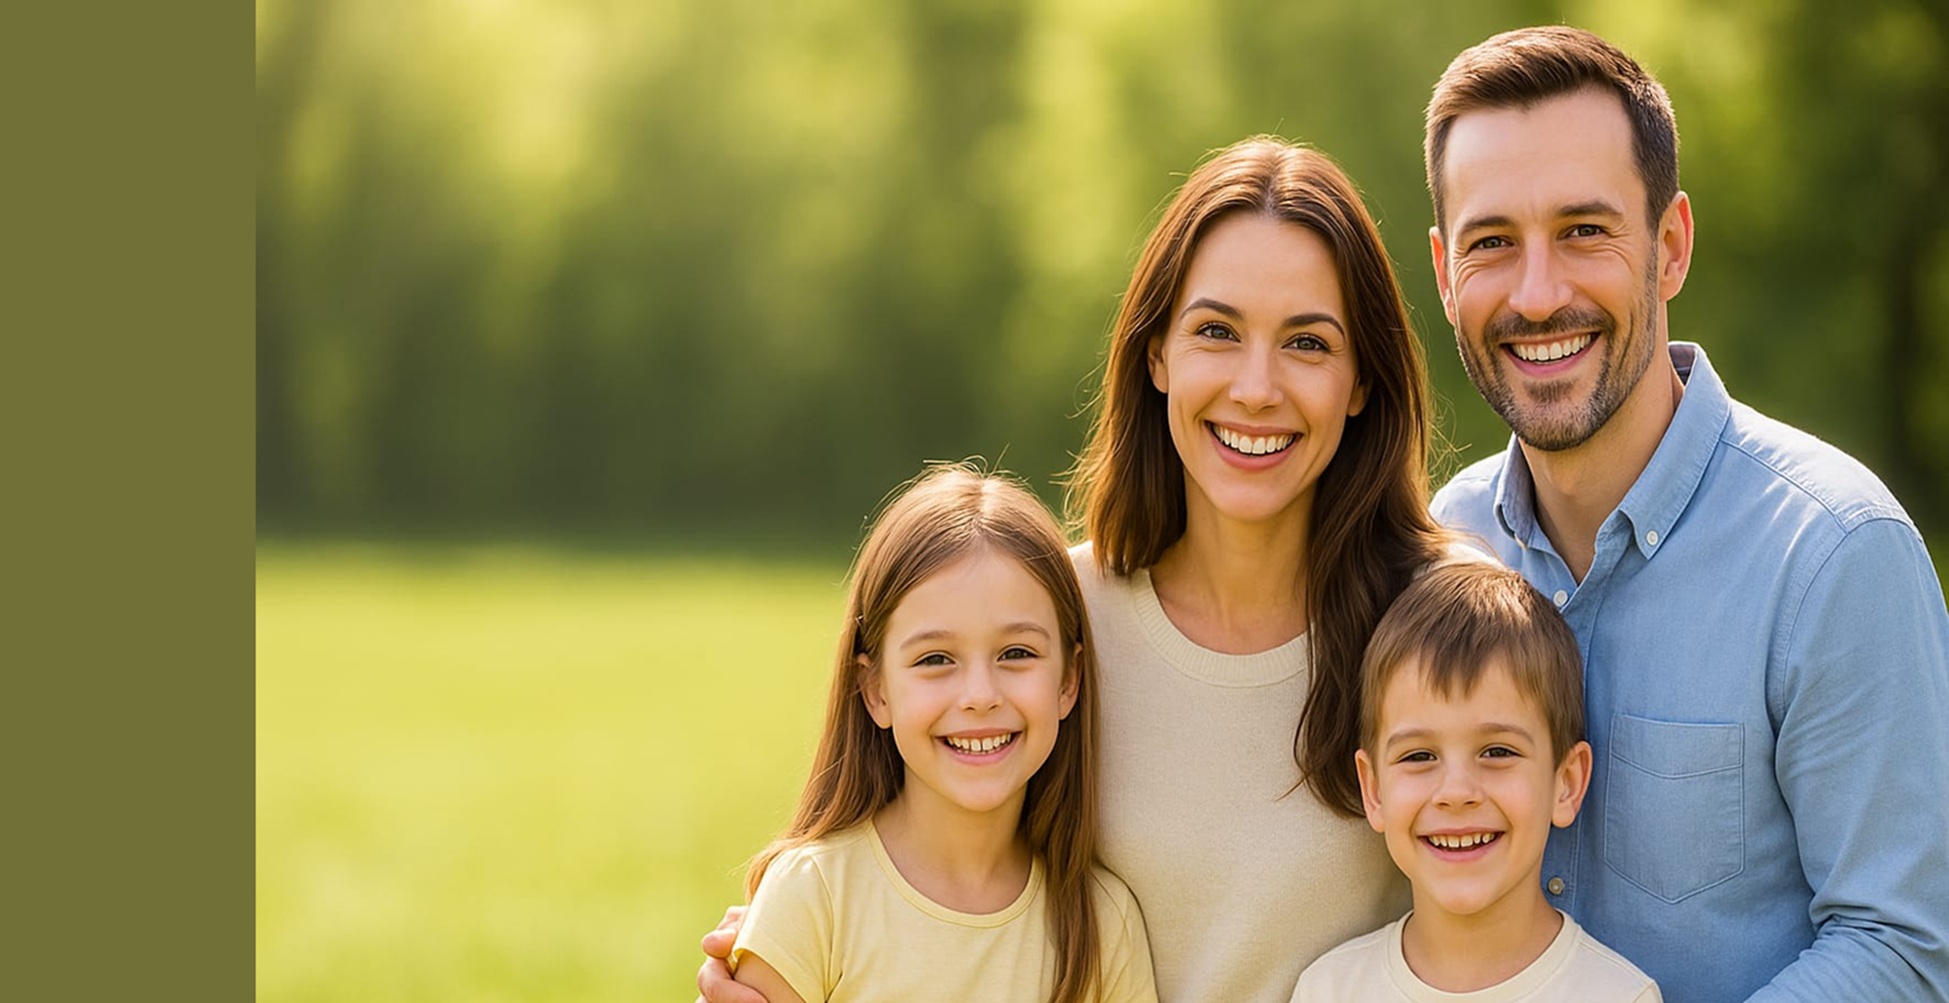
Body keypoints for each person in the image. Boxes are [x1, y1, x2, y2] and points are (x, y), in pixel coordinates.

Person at [700, 136, 1464, 1003]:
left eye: (1307, 343)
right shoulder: (1043, 623)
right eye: (1215, 331)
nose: (1256, 387)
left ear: (1363, 379)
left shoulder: (1437, 632)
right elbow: (911, 877)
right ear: (1156, 357)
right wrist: (788, 947)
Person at [1422, 25, 1949, 1002]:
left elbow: (1905, 945)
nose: (1537, 294)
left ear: (1667, 247)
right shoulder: (1442, 548)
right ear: (1446, 273)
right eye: (1492, 243)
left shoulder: (1834, 555)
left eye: (1583, 231)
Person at [724, 464, 1158, 1003]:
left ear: (1069, 680)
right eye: (935, 659)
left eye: (1016, 653)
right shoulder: (814, 898)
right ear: (875, 689)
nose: (980, 694)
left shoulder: (1103, 924)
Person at [1294, 561, 1659, 1002]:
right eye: (1419, 756)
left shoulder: (1619, 996)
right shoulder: (1330, 990)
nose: (1456, 793)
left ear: (1566, 782)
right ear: (1373, 790)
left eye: (1497, 752)